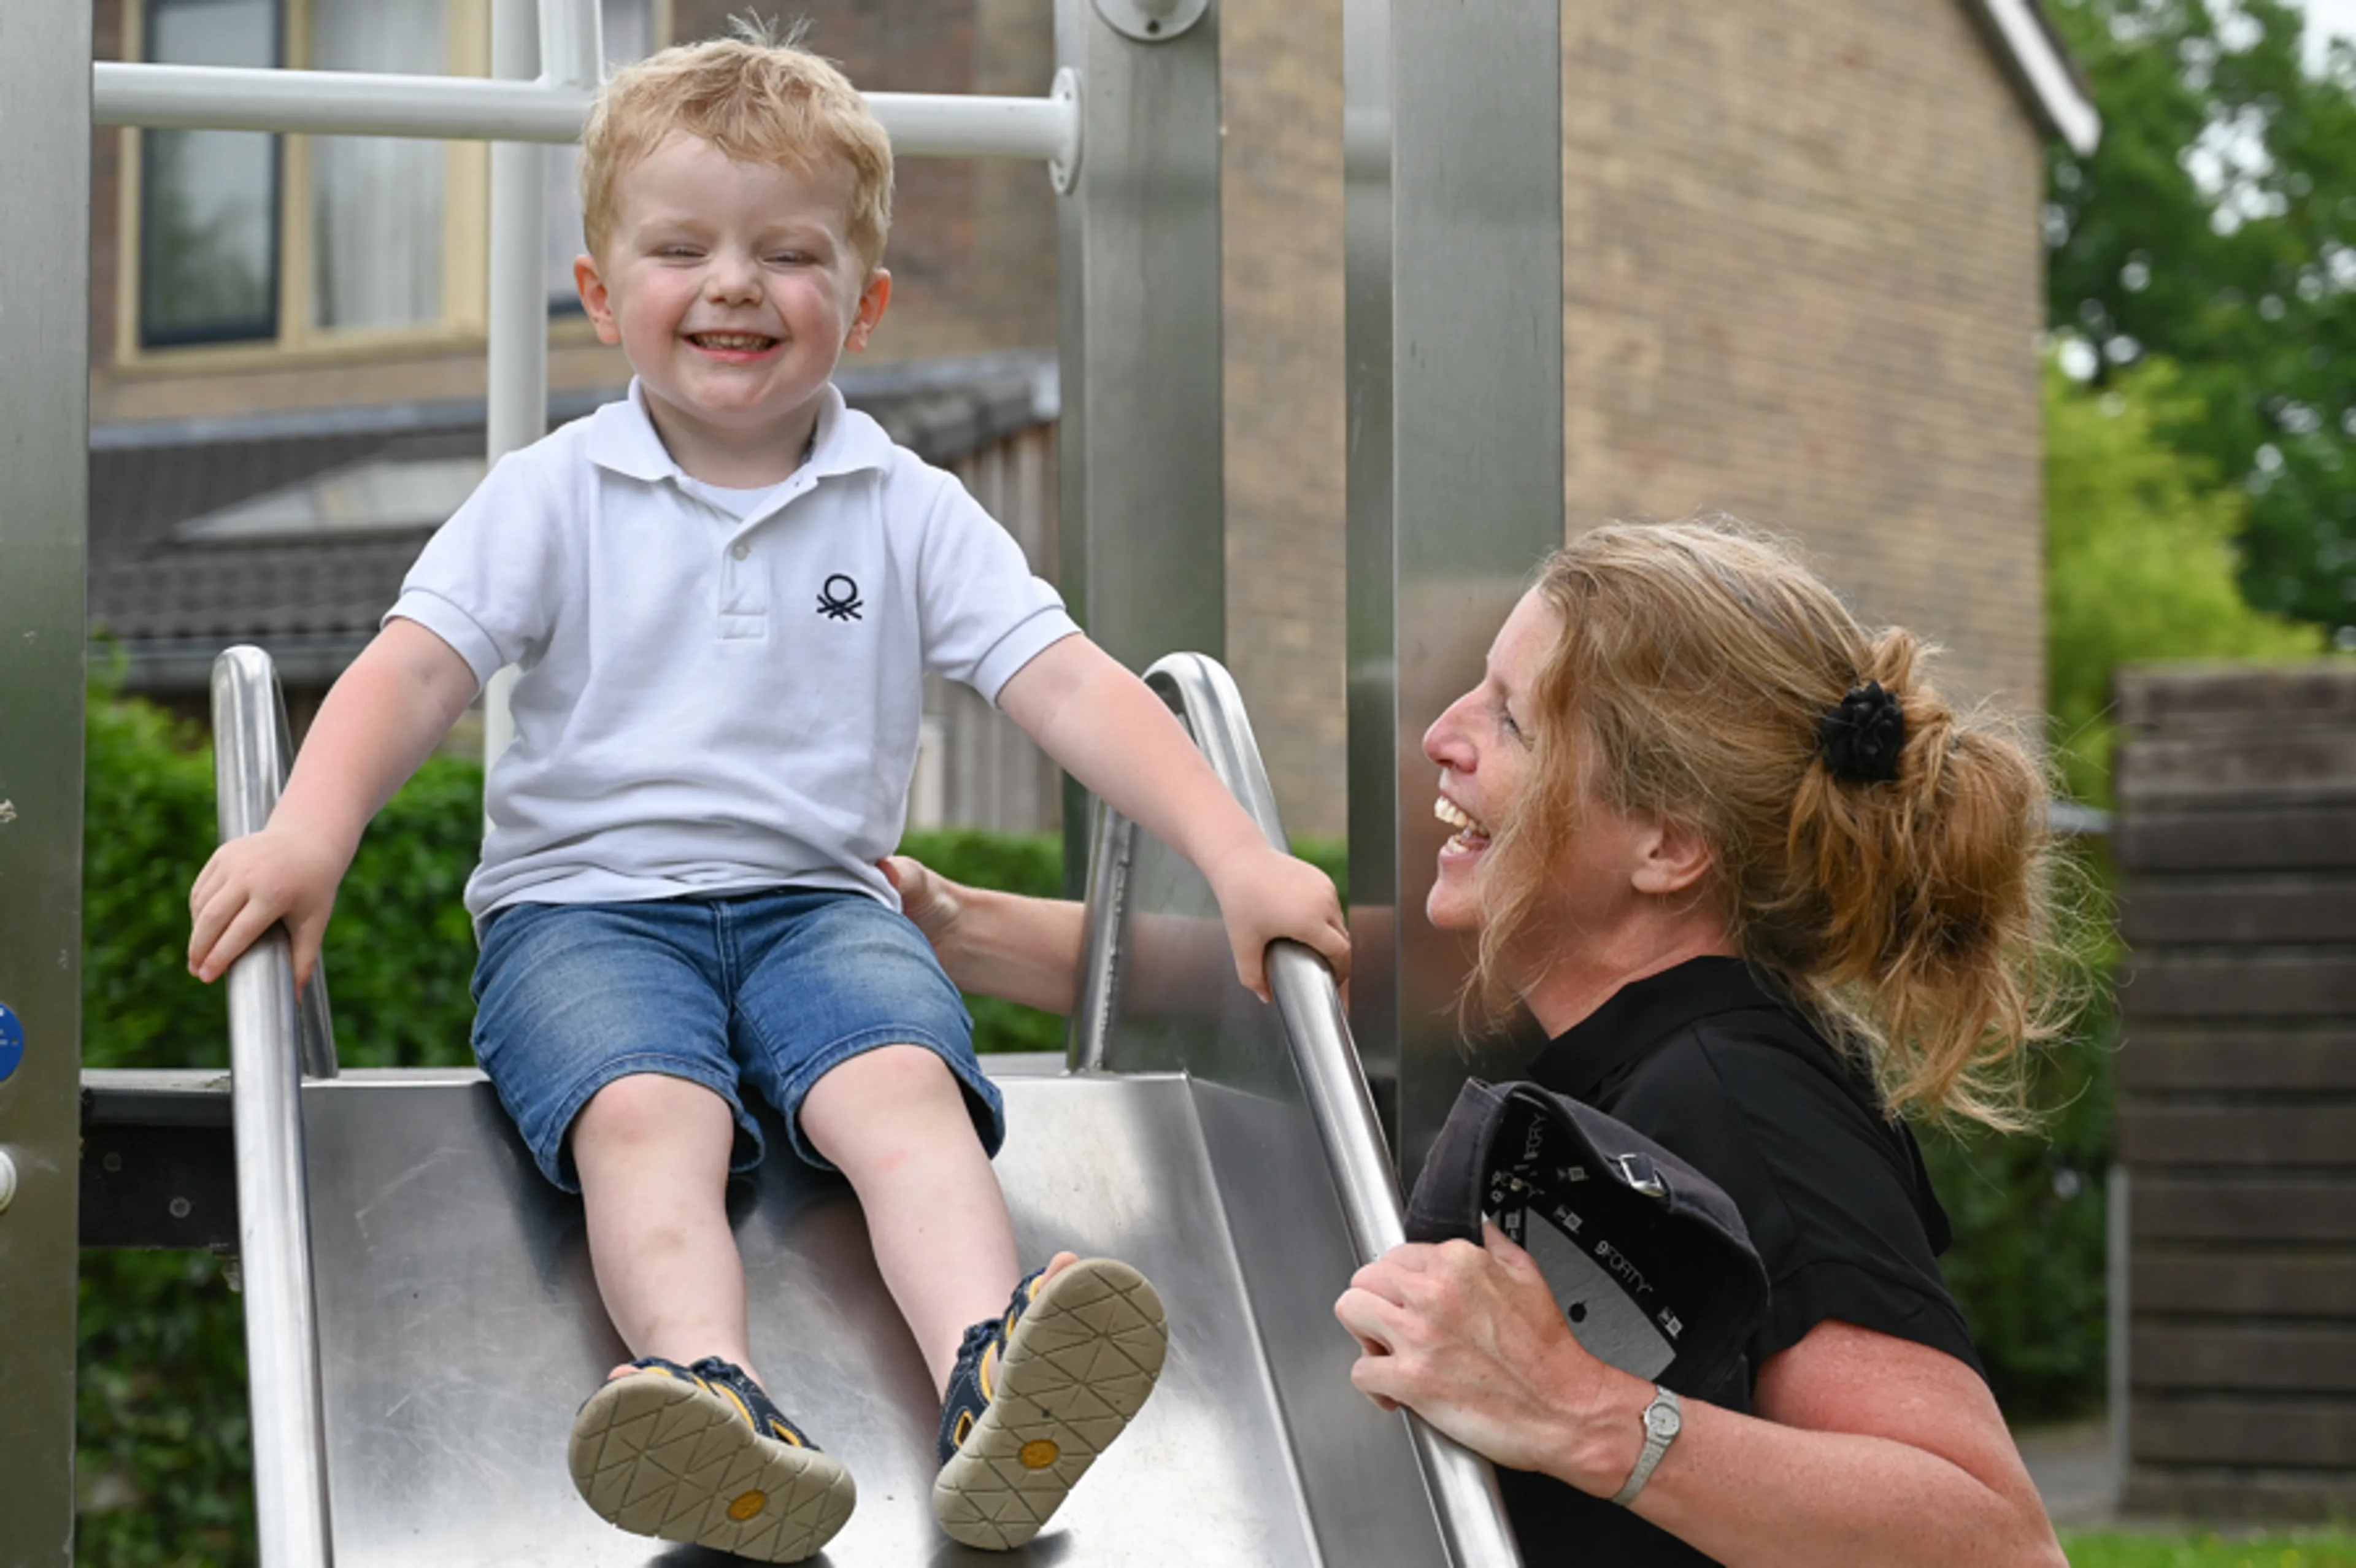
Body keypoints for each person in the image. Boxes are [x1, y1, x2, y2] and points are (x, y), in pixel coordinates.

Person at [185, 28, 1348, 1564]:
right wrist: (310, 830)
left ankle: (999, 1375)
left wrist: (1239, 853)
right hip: (582, 918)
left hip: (823, 906)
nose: (734, 285)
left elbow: (1068, 684)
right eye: (682, 247)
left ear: (860, 305)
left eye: (787, 254)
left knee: (903, 1098)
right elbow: (412, 673)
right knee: (644, 1116)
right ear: (603, 296)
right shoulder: (550, 495)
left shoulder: (910, 509)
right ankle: (706, 1396)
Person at [888, 517, 2071, 1567]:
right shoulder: (1588, 1017)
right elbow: (1263, 967)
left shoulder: (1737, 1091)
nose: (1443, 738)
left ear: (1665, 846)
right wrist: (937, 923)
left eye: (1511, 719)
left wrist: (1575, 1411)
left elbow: (1994, 1539)